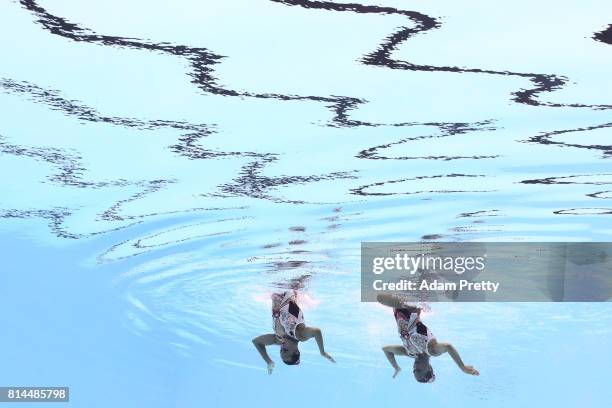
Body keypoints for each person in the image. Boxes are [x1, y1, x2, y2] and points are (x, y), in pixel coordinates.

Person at [377, 293, 479, 383]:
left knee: (383, 295)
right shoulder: (431, 350)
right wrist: (462, 367)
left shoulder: (409, 353)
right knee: (381, 297)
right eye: (419, 370)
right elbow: (448, 347)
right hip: (410, 305)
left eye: (414, 370)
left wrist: (396, 367)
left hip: (399, 307)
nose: (415, 367)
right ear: (429, 368)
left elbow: (386, 350)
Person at [252, 290, 335, 374]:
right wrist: (322, 352)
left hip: (275, 290)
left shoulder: (278, 339)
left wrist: (269, 361)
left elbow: (256, 342)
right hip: (291, 286)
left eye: (281, 350)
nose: (282, 347)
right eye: (285, 350)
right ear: (296, 351)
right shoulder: (299, 334)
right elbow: (317, 331)